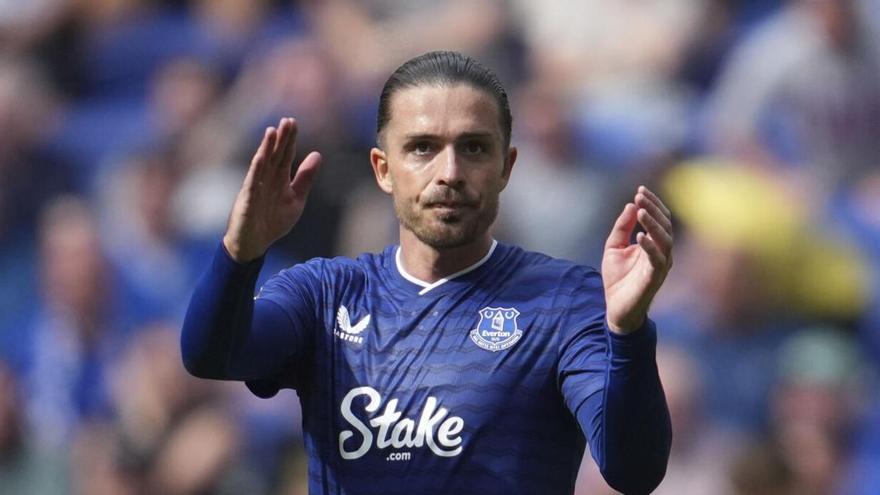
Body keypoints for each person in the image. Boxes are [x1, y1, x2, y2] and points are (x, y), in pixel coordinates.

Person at [181, 51, 672, 495]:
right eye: (422, 148)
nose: (450, 172)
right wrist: (239, 256)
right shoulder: (325, 295)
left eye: (475, 148)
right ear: (383, 168)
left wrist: (627, 334)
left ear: (507, 166)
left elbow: (634, 472)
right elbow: (212, 356)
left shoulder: (562, 300)